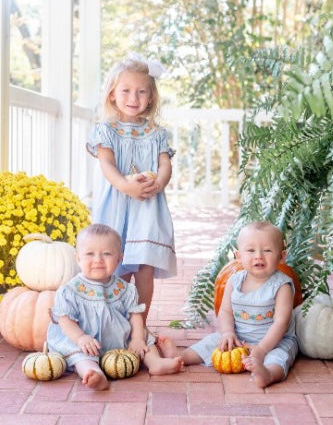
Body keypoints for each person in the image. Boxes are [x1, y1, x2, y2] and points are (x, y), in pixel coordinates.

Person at [86, 53, 176, 327]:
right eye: (126, 90)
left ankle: (140, 325)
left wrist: (158, 183)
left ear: (151, 97)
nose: (133, 98)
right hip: (117, 206)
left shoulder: (157, 133)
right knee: (118, 265)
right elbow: (107, 165)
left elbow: (164, 165)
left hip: (148, 208)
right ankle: (118, 324)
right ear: (113, 94)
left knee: (144, 268)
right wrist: (126, 186)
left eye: (141, 92)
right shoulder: (106, 130)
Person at [158, 221, 298, 388]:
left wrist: (261, 349)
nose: (258, 256)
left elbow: (281, 323)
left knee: (280, 357)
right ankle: (183, 355)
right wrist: (228, 332)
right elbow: (225, 312)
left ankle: (268, 374)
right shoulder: (234, 280)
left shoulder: (282, 286)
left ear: (281, 256)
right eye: (251, 250)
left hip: (274, 340)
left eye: (267, 250)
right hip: (238, 336)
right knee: (213, 341)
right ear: (239, 256)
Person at [47, 224, 184, 391]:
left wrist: (137, 339)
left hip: (117, 337)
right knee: (80, 355)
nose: (98, 259)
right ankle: (93, 373)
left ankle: (154, 362)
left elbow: (135, 315)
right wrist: (81, 338)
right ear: (78, 258)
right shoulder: (70, 290)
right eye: (90, 254)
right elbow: (65, 320)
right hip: (85, 339)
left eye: (106, 254)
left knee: (145, 337)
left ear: (119, 258)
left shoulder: (125, 288)